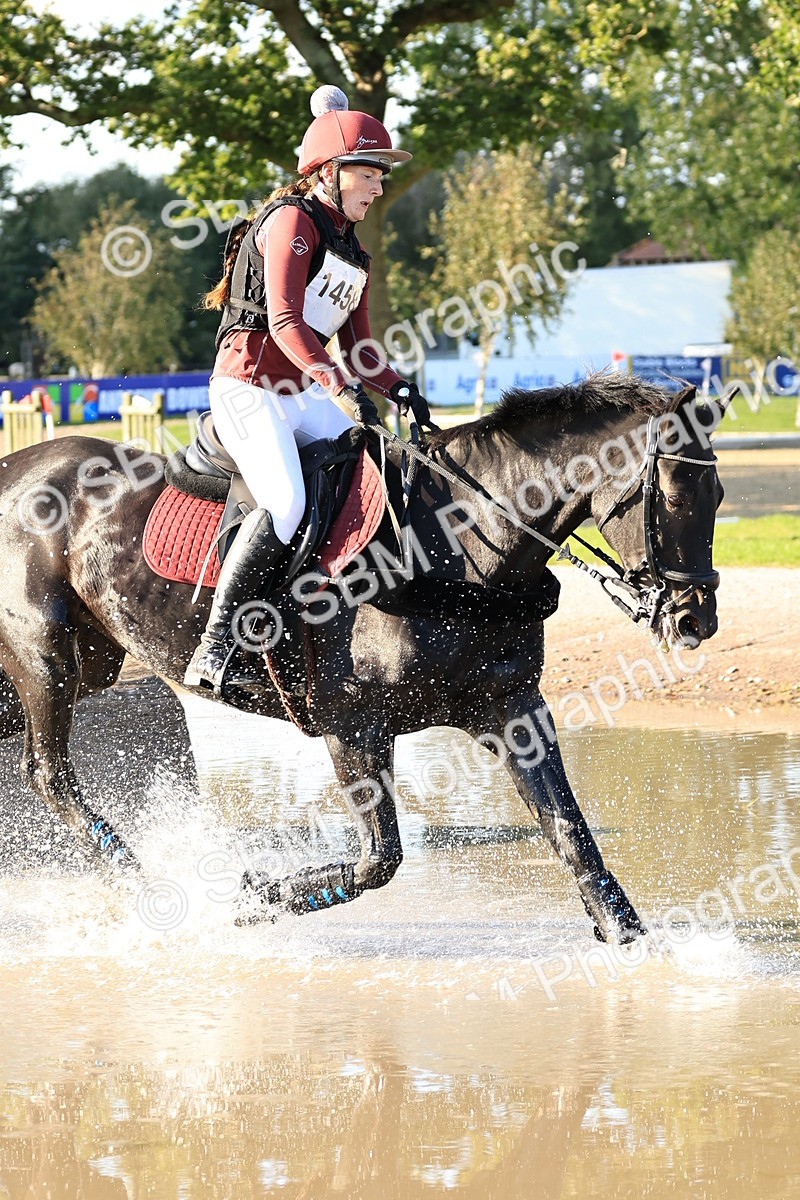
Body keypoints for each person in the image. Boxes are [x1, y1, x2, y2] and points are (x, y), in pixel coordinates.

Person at [184, 85, 431, 695]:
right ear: (331, 172)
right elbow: (285, 321)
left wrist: (399, 389)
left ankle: (327, 604)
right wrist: (336, 381)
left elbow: (362, 350)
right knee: (288, 503)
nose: (378, 187)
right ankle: (216, 645)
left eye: (380, 178)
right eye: (369, 175)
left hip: (300, 391)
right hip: (249, 388)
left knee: (378, 466)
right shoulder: (292, 221)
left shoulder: (354, 250)